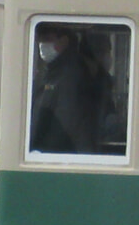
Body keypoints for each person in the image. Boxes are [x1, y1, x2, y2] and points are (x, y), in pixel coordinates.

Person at [30, 25, 98, 154]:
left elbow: (66, 122)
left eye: (47, 39)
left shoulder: (70, 75)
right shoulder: (51, 73)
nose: (42, 45)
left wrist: (45, 153)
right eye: (40, 40)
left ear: (64, 41)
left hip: (57, 154)